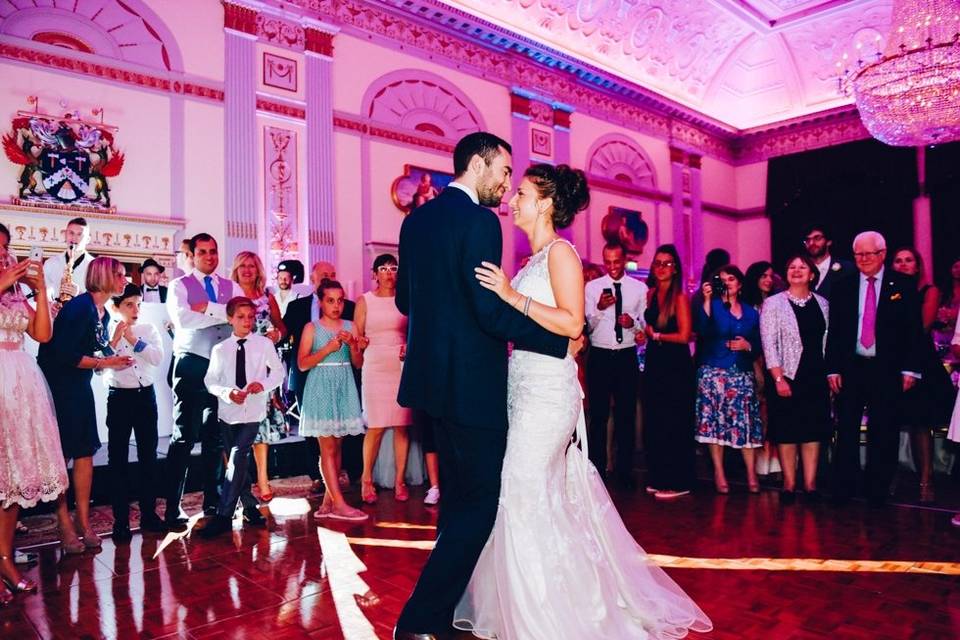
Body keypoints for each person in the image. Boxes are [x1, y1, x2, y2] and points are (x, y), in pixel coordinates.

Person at [455, 162, 712, 638]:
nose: (512, 199)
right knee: (531, 492)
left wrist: (511, 296)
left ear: (547, 203)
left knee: (523, 486)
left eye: (523, 193)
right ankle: (532, 603)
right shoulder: (532, 260)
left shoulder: (561, 253)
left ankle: (546, 617)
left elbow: (574, 324)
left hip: (550, 394)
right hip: (523, 386)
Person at [392, 134, 573, 639]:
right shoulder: (479, 222)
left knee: (456, 500)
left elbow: (407, 301)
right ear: (478, 164)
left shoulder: (416, 220)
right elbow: (489, 311)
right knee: (480, 504)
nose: (507, 183)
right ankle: (418, 619)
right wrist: (558, 343)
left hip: (430, 385)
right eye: (504, 170)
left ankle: (448, 612)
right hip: (473, 385)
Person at [39, 256, 133, 551]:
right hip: (60, 386)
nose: (125, 281)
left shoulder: (101, 312)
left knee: (85, 453)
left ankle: (83, 519)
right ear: (104, 277)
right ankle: (63, 521)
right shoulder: (79, 307)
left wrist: (112, 352)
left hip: (79, 387)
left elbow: (96, 351)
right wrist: (107, 361)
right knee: (63, 454)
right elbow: (64, 356)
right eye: (120, 275)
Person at [825, 231, 924, 507]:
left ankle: (877, 489)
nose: (864, 259)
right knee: (846, 428)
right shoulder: (843, 285)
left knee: (885, 429)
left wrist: (910, 370)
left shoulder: (903, 285)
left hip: (887, 369)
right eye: (859, 254)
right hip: (851, 367)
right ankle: (844, 486)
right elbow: (835, 331)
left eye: (869, 254)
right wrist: (832, 368)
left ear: (882, 255)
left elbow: (914, 331)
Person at [0, 224, 68, 604]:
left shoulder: (15, 294)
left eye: (6, 248)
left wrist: (40, 290)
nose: (3, 255)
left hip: (20, 383)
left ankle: (6, 561)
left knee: (11, 482)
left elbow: (42, 334)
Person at [164, 233, 240, 529]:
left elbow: (238, 318)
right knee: (184, 436)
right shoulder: (178, 285)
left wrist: (206, 308)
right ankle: (173, 506)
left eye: (213, 252)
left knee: (214, 438)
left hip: (222, 366)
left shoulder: (230, 285)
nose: (209, 257)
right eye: (203, 252)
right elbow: (184, 321)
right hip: (192, 363)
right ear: (192, 256)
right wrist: (222, 314)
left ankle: (214, 502)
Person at [201, 297, 285, 538]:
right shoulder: (220, 349)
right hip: (228, 412)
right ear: (229, 319)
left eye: (251, 317)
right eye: (241, 317)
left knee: (238, 457)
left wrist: (264, 384)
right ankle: (249, 506)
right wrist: (228, 393)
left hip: (253, 410)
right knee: (239, 463)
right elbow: (210, 381)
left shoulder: (263, 345)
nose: (247, 321)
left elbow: (278, 373)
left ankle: (223, 516)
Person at [760, 255, 830, 504]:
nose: (797, 271)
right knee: (787, 431)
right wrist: (778, 378)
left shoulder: (823, 304)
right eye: (792, 267)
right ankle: (789, 484)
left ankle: (810, 485)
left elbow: (827, 341)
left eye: (803, 267)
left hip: (816, 375)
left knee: (812, 430)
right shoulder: (773, 303)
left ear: (812, 274)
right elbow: (768, 343)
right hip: (786, 375)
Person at [283, 260, 358, 491]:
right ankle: (319, 479)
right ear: (313, 280)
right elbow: (286, 336)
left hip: (343, 379)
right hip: (311, 379)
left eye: (333, 274)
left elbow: (358, 357)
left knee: (338, 440)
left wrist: (356, 345)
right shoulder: (299, 309)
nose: (328, 277)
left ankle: (336, 489)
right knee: (319, 438)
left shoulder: (350, 314)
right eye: (324, 274)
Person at [297, 280, 367, 521]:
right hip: (320, 387)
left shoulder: (351, 326)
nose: (336, 305)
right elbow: (302, 364)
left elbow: (358, 364)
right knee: (327, 448)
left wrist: (355, 346)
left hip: (344, 384)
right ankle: (340, 505)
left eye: (339, 300)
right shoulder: (312, 328)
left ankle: (328, 502)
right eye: (330, 300)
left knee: (337, 448)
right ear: (320, 302)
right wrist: (327, 348)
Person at [890, 247, 954, 503]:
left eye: (909, 261)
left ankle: (926, 481)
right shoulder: (888, 292)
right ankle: (888, 478)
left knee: (920, 424)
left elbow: (923, 325)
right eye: (898, 261)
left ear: (917, 266)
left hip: (920, 361)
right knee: (889, 423)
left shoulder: (930, 291)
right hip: (891, 362)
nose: (904, 265)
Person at [103, 284, 166, 540]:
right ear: (115, 306)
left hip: (145, 397)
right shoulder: (107, 329)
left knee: (148, 456)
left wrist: (133, 340)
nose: (136, 309)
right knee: (117, 459)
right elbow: (98, 363)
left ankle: (149, 514)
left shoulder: (148, 329)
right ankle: (120, 521)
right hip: (119, 398)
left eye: (138, 303)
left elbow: (157, 357)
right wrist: (115, 341)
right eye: (129, 304)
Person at [694, 264, 763, 494]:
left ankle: (752, 474)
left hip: (741, 373)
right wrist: (705, 301)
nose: (727, 283)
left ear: (740, 284)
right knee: (715, 423)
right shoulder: (711, 306)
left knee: (746, 423)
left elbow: (759, 346)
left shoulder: (752, 312)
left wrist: (748, 345)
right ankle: (719, 473)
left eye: (731, 279)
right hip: (713, 372)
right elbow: (702, 331)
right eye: (722, 280)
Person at [584, 241, 647, 489]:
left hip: (625, 355)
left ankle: (625, 471)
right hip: (599, 355)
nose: (611, 266)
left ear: (624, 260)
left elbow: (643, 327)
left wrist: (633, 324)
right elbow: (587, 326)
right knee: (598, 416)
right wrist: (599, 309)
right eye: (607, 262)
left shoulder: (638, 289)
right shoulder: (592, 288)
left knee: (625, 415)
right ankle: (597, 470)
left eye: (616, 261)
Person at [355, 253, 416, 504]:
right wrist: (360, 342)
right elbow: (357, 335)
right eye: (384, 268)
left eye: (393, 268)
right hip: (375, 365)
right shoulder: (365, 301)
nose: (389, 273)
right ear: (375, 273)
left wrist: (409, 346)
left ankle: (399, 480)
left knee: (402, 425)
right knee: (376, 426)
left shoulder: (406, 300)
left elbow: (415, 330)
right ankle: (366, 478)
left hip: (400, 365)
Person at [230, 251, 287, 503]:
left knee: (260, 426)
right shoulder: (227, 296)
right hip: (236, 365)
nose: (247, 270)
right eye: (242, 265)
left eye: (252, 266)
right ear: (236, 269)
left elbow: (281, 327)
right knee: (236, 426)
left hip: (262, 367)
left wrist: (277, 335)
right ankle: (237, 482)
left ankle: (263, 480)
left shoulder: (267, 297)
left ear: (259, 270)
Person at [641, 244, 696, 500]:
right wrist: (645, 335)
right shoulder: (651, 293)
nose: (661, 268)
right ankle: (660, 475)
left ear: (675, 269)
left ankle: (679, 480)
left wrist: (658, 335)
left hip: (676, 365)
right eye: (658, 263)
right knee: (656, 421)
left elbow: (685, 335)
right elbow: (648, 329)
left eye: (667, 263)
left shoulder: (680, 298)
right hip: (655, 360)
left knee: (675, 421)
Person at [743, 261, 782, 480]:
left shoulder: (777, 302)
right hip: (754, 361)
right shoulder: (747, 305)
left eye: (770, 276)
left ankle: (774, 463)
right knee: (758, 413)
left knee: (772, 413)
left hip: (774, 361)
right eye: (763, 276)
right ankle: (760, 465)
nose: (768, 280)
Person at [44, 217, 94, 305]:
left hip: (83, 316)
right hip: (57, 314)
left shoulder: (95, 266)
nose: (74, 238)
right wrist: (50, 305)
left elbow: (99, 300)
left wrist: (79, 294)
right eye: (71, 233)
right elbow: (44, 291)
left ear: (88, 239)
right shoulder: (50, 263)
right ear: (65, 235)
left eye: (79, 234)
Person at [802, 224, 853, 300]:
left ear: (829, 242)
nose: (811, 243)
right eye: (808, 240)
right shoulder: (799, 270)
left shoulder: (847, 268)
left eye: (817, 238)